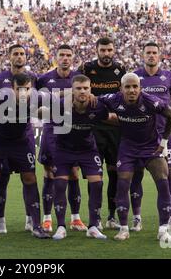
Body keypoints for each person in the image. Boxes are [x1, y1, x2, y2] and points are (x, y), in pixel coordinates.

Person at [99, 73, 171, 242]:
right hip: (127, 149)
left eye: (135, 86)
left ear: (140, 88)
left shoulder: (150, 101)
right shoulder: (113, 99)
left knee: (163, 181)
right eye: (128, 87)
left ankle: (163, 229)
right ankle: (124, 228)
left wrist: (163, 141)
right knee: (122, 184)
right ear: (121, 89)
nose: (132, 90)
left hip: (151, 148)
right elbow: (95, 102)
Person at [130, 42, 171, 232]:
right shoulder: (135, 76)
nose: (151, 55)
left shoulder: (169, 77)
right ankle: (136, 218)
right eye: (148, 53)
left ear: (160, 56)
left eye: (154, 53)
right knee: (136, 175)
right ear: (142, 55)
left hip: (163, 136)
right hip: (139, 135)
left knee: (167, 177)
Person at [0, 73, 50, 241]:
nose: (24, 93)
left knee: (30, 178)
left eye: (27, 89)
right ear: (13, 89)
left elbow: (57, 98)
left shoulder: (37, 97)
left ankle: (36, 226)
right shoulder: (0, 98)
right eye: (20, 89)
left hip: (21, 142)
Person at [52, 75, 112, 240]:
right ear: (72, 90)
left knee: (97, 183)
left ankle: (93, 226)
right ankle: (61, 227)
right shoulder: (60, 105)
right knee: (59, 184)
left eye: (86, 88)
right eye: (78, 88)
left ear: (90, 89)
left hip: (87, 149)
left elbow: (111, 116)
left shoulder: (98, 106)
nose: (83, 91)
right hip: (63, 149)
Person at [0, 44, 38, 234]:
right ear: (9, 57)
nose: (19, 57)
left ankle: (30, 220)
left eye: (22, 54)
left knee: (29, 177)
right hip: (2, 134)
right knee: (2, 178)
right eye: (15, 54)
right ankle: (0, 221)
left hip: (25, 134)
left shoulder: (33, 78)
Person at [36, 45, 87, 233]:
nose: (65, 58)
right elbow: (37, 105)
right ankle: (47, 219)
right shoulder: (44, 79)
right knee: (49, 173)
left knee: (74, 173)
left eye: (68, 55)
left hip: (73, 132)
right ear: (55, 57)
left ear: (72, 58)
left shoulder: (78, 79)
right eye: (62, 55)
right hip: (51, 131)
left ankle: (75, 218)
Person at [79, 37, 126, 230]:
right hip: (94, 129)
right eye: (103, 50)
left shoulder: (120, 71)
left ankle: (112, 216)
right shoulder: (87, 69)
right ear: (96, 50)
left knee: (114, 173)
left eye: (109, 50)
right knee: (94, 175)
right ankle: (94, 216)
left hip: (115, 130)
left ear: (113, 51)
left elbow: (124, 96)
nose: (106, 54)